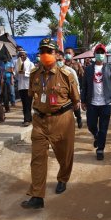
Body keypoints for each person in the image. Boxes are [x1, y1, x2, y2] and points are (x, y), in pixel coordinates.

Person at [21, 38, 80, 209]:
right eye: (43, 51)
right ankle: (37, 196)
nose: (45, 54)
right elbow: (32, 94)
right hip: (39, 121)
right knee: (37, 158)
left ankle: (62, 178)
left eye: (49, 51)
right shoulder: (34, 74)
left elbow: (75, 99)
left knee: (64, 156)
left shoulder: (66, 74)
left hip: (62, 120)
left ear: (56, 54)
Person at [81, 43, 111, 160]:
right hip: (92, 103)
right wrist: (83, 101)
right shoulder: (88, 69)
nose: (100, 55)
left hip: (106, 103)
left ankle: (100, 149)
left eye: (102, 53)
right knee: (91, 125)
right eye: (98, 52)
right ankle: (97, 136)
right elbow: (84, 86)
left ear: (105, 54)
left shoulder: (110, 69)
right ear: (94, 54)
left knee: (103, 128)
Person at [64, 47, 84, 128]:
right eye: (66, 53)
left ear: (73, 54)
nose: (67, 54)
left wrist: (81, 90)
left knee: (76, 106)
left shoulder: (77, 64)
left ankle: (78, 118)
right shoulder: (62, 64)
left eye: (69, 53)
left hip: (75, 88)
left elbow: (82, 77)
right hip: (65, 90)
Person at [15, 50, 34, 127]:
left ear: (26, 55)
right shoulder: (17, 63)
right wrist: (16, 73)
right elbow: (16, 74)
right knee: (24, 103)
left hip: (28, 86)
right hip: (21, 86)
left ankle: (27, 119)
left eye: (23, 55)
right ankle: (28, 118)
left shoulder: (30, 64)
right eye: (20, 55)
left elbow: (33, 74)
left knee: (28, 103)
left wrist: (25, 73)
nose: (22, 57)